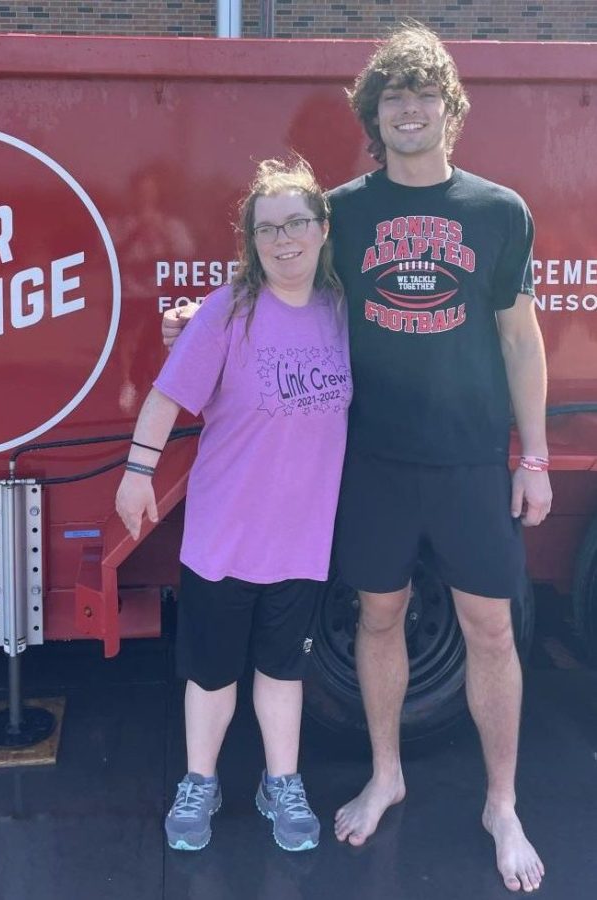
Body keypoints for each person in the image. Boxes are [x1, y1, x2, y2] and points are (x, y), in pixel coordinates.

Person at [162, 24, 550, 894]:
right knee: (379, 618)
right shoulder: (343, 212)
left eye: (423, 96)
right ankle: (387, 774)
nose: (408, 110)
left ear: (450, 110)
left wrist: (536, 457)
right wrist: (205, 317)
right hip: (371, 461)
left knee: (491, 628)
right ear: (373, 116)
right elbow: (280, 273)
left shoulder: (499, 212)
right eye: (392, 99)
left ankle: (502, 803)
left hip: (468, 462)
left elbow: (521, 340)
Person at [116, 157, 352, 852]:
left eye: (297, 223)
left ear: (322, 229)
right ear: (250, 239)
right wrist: (137, 475)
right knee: (212, 675)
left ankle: (281, 784)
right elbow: (166, 396)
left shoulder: (343, 312)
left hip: (301, 541)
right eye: (267, 228)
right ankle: (200, 781)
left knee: (283, 674)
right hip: (224, 538)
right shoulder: (228, 311)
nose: (284, 240)